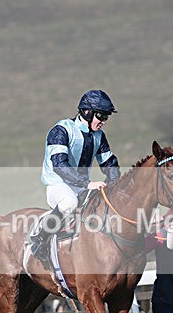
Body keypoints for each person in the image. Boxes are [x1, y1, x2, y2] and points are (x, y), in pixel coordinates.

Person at [32, 89, 121, 263]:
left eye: (106, 117)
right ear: (87, 112)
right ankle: (39, 239)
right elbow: (60, 165)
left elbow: (109, 163)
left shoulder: (99, 136)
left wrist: (115, 182)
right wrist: (86, 183)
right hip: (58, 185)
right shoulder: (61, 131)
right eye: (101, 116)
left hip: (81, 186)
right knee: (69, 203)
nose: (104, 121)